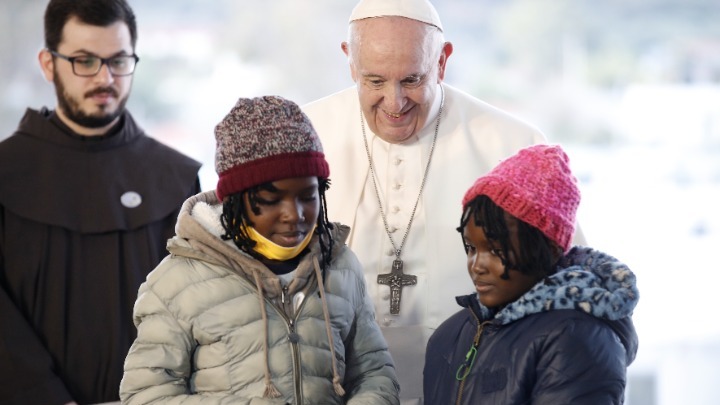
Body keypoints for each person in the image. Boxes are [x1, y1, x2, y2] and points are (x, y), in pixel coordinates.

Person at [301, 0, 585, 402]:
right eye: (375, 81)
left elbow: (573, 290)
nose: (395, 103)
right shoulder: (304, 135)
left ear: (442, 60)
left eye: (412, 79)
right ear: (350, 61)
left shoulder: (512, 144)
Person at [119, 96, 399, 405]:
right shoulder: (176, 282)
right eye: (271, 199)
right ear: (234, 200)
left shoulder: (341, 266)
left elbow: (375, 374)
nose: (294, 214)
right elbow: (146, 395)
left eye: (308, 196)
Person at [0, 0, 202, 404]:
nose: (104, 77)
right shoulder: (6, 173)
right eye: (84, 61)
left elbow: (201, 309)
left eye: (118, 60)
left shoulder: (176, 177)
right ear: (48, 64)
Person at [423, 144, 639, 404]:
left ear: (547, 247)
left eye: (496, 249)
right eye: (471, 247)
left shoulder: (576, 340)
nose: (477, 265)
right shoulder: (451, 334)